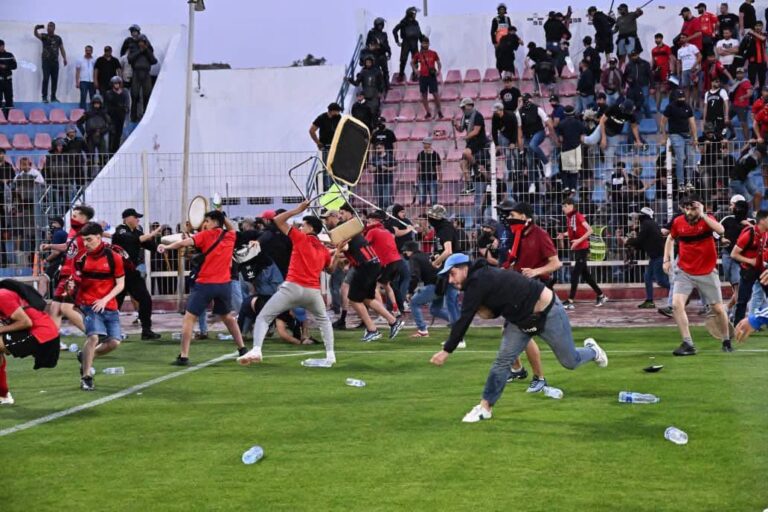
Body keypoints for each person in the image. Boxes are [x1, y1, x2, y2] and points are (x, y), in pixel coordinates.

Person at [429, 253, 608, 423]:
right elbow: (493, 311)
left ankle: (593, 351)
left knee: (570, 361)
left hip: (547, 312)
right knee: (502, 361)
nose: (451, 280)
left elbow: (464, 319)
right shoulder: (477, 281)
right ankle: (485, 407)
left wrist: (446, 350)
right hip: (519, 321)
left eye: (452, 274)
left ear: (464, 268)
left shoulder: (478, 281)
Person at [237, 201, 336, 367]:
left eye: (303, 225)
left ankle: (256, 350)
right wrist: (337, 253)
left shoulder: (301, 238)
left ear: (310, 228)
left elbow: (277, 220)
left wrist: (298, 209)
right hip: (313, 292)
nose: (301, 227)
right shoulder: (323, 250)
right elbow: (331, 270)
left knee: (264, 317)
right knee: (324, 321)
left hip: (292, 287)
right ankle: (330, 356)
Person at [157, 210, 247, 365]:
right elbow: (231, 228)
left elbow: (183, 243)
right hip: (224, 284)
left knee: (189, 318)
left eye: (207, 220)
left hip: (205, 284)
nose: (205, 223)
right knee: (227, 317)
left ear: (214, 222)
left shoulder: (205, 235)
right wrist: (222, 217)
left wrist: (166, 247)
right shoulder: (230, 236)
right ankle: (242, 348)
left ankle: (184, 356)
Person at [498, 202, 560, 392]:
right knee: (508, 331)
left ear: (524, 216)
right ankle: (518, 369)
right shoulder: (518, 235)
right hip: (520, 288)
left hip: (535, 289)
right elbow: (514, 262)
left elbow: (556, 263)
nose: (508, 219)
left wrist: (535, 271)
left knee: (522, 333)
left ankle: (539, 378)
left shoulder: (539, 235)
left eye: (512, 215)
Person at [664, 196, 732, 355]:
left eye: (693, 208)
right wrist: (666, 260)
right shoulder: (678, 222)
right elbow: (670, 238)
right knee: (676, 305)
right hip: (684, 271)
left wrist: (703, 215)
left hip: (707, 272)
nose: (689, 212)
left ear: (700, 207)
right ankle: (688, 343)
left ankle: (726, 340)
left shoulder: (707, 220)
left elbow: (721, 230)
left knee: (718, 309)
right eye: (687, 208)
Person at [335, 203, 405, 342]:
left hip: (365, 266)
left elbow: (345, 249)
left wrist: (335, 251)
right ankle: (393, 321)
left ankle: (372, 329)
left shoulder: (349, 235)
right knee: (367, 298)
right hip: (374, 264)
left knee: (354, 299)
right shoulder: (357, 233)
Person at [73, 222, 125, 391]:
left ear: (99, 237)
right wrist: (72, 287)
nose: (86, 243)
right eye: (83, 240)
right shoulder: (81, 258)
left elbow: (121, 284)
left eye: (89, 239)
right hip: (88, 304)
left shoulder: (114, 257)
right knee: (93, 337)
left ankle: (86, 356)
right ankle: (86, 377)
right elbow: (75, 281)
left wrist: (105, 299)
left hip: (109, 305)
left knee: (114, 342)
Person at [0, 281, 61, 405]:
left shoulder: (2, 296)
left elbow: (26, 322)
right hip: (42, 332)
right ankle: (3, 395)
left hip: (42, 334)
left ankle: (3, 394)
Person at [112, 208, 162, 340]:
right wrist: (152, 233)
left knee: (145, 299)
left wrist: (161, 247)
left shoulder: (136, 231)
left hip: (132, 273)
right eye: (135, 217)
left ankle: (146, 331)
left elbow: (150, 245)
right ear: (127, 218)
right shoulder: (120, 231)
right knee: (114, 304)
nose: (138, 220)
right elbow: (133, 240)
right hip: (119, 274)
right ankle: (108, 333)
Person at [562, 198, 607, 309]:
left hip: (582, 249)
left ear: (571, 206)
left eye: (565, 206)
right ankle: (601, 295)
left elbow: (590, 230)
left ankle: (570, 300)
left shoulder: (577, 216)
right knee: (586, 276)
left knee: (575, 275)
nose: (563, 209)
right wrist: (564, 234)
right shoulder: (570, 217)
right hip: (578, 249)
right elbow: (573, 231)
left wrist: (578, 241)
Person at [403, 240, 450, 337]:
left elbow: (415, 276)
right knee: (435, 310)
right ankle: (458, 321)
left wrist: (410, 291)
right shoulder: (424, 255)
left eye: (406, 251)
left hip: (434, 285)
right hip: (442, 283)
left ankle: (422, 330)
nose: (405, 253)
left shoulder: (414, 258)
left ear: (410, 250)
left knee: (414, 302)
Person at [625, 207, 669, 308]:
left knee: (661, 281)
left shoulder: (646, 224)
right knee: (647, 276)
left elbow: (639, 240)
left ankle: (679, 293)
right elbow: (644, 242)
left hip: (658, 256)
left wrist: (628, 241)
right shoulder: (650, 224)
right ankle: (649, 300)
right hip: (656, 256)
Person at [731, 209, 768, 326]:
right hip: (748, 270)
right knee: (743, 300)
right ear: (762, 220)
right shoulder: (749, 234)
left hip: (762, 269)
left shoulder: (765, 233)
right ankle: (738, 326)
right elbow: (734, 254)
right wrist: (750, 261)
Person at [365, 210, 405, 315]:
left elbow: (363, 245)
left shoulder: (372, 231)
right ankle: (396, 310)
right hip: (397, 261)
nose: (367, 224)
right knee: (387, 285)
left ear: (375, 221)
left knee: (375, 287)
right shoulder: (386, 231)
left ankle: (382, 314)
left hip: (387, 262)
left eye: (368, 222)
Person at [720, 197, 754, 314]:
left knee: (738, 285)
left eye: (734, 205)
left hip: (743, 258)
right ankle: (731, 310)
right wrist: (722, 238)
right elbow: (715, 231)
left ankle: (731, 311)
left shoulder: (752, 222)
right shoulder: (727, 219)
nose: (732, 208)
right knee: (734, 284)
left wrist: (748, 225)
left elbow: (760, 234)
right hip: (727, 254)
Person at [661, 89, 699, 187]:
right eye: (680, 97)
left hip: (687, 134)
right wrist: (664, 137)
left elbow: (692, 123)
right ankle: (681, 183)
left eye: (683, 97)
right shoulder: (670, 107)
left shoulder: (687, 107)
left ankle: (689, 182)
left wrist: (695, 138)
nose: (682, 99)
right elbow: (663, 122)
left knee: (691, 157)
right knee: (681, 157)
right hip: (675, 134)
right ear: (676, 98)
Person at [454, 98, 489, 195]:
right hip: (470, 141)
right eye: (461, 108)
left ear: (469, 106)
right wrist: (456, 125)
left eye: (463, 107)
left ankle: (476, 168)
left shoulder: (478, 116)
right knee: (462, 164)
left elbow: (476, 131)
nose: (462, 109)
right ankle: (469, 185)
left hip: (479, 140)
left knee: (466, 152)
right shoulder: (464, 116)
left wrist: (466, 137)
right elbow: (461, 129)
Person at [516, 93, 555, 177]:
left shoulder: (537, 109)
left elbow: (548, 121)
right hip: (527, 136)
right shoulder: (519, 112)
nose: (522, 102)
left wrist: (553, 135)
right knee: (529, 160)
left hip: (539, 132)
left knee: (532, 145)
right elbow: (519, 132)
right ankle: (532, 182)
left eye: (523, 100)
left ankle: (546, 163)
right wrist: (521, 149)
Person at [34, 21, 67, 103]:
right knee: (46, 79)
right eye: (48, 26)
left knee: (54, 80)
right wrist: (35, 29)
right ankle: (44, 97)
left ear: (54, 28)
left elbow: (62, 48)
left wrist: (64, 58)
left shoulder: (58, 38)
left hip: (55, 62)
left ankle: (53, 97)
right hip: (46, 62)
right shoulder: (44, 36)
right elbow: (36, 35)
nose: (49, 27)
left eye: (51, 26)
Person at [556, 106, 587, 192]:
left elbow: (561, 139)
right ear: (574, 112)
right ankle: (573, 187)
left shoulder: (561, 124)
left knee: (563, 169)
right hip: (576, 148)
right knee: (574, 169)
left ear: (565, 113)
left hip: (565, 148)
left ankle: (566, 186)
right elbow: (582, 138)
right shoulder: (579, 123)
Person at [411, 36, 443, 119]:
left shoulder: (433, 53)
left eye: (427, 43)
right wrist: (415, 70)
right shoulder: (418, 54)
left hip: (431, 76)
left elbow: (439, 63)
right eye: (424, 43)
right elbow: (412, 62)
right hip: (422, 76)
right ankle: (428, 112)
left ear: (429, 44)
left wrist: (439, 70)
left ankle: (439, 111)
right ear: (421, 44)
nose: (425, 45)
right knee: (424, 95)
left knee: (435, 94)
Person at [128, 36, 157, 122]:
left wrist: (146, 50)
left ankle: (146, 115)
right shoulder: (134, 49)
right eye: (140, 42)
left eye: (143, 42)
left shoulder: (149, 50)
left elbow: (154, 61)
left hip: (146, 73)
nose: (141, 43)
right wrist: (140, 51)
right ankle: (133, 117)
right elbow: (129, 59)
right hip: (136, 73)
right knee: (135, 95)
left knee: (147, 94)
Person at [347, 55, 384, 120]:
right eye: (367, 62)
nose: (368, 64)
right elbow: (357, 83)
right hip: (366, 96)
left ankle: (376, 123)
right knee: (366, 113)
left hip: (375, 95)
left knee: (375, 111)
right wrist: (349, 80)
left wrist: (380, 92)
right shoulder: (363, 72)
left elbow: (381, 82)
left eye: (369, 62)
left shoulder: (377, 71)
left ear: (372, 62)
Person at [392, 6, 422, 82]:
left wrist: (423, 41)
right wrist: (397, 41)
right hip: (406, 43)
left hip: (414, 43)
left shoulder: (416, 23)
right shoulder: (404, 22)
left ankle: (415, 75)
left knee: (416, 60)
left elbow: (419, 33)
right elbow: (394, 30)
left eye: (415, 13)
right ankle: (401, 75)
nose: (415, 15)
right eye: (414, 13)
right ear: (410, 14)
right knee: (403, 60)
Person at [491, 101, 521, 174]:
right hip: (504, 135)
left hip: (513, 135)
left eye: (496, 111)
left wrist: (513, 142)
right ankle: (510, 172)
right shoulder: (494, 117)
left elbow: (515, 129)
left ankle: (518, 172)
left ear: (501, 110)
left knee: (515, 154)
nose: (494, 112)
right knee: (507, 154)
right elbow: (494, 131)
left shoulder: (511, 115)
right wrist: (496, 144)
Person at [624, 50, 652, 118]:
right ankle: (636, 119)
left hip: (643, 86)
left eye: (635, 55)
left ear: (638, 55)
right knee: (634, 104)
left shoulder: (645, 63)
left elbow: (650, 76)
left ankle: (649, 119)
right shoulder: (629, 65)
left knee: (645, 103)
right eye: (633, 56)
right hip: (633, 87)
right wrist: (628, 82)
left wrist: (652, 87)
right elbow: (625, 76)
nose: (634, 57)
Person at [104, 76, 129, 154]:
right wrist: (107, 116)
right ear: (112, 84)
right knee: (112, 134)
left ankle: (116, 151)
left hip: (121, 116)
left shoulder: (125, 92)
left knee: (119, 135)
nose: (116, 85)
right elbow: (106, 106)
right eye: (115, 83)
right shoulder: (108, 93)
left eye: (118, 83)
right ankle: (110, 152)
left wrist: (125, 110)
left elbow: (127, 105)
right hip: (112, 117)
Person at [366, 17, 392, 92]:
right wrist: (371, 47)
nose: (380, 26)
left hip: (382, 54)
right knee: (376, 72)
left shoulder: (384, 34)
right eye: (379, 25)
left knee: (385, 71)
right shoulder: (371, 33)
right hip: (374, 55)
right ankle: (379, 87)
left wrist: (389, 52)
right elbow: (367, 43)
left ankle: (387, 85)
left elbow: (386, 44)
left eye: (381, 25)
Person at [651, 34, 674, 113]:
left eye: (658, 38)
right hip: (657, 71)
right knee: (657, 89)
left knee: (666, 89)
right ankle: (657, 107)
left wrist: (671, 70)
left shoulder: (667, 48)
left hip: (666, 71)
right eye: (656, 38)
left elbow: (671, 59)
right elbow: (653, 60)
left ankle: (669, 107)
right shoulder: (653, 50)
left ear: (661, 39)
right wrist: (652, 70)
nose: (656, 40)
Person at [368, 143, 395, 208]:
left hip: (388, 182)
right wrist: (377, 168)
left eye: (379, 148)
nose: (377, 150)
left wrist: (387, 168)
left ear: (383, 148)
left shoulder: (390, 157)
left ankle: (387, 212)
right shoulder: (374, 158)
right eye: (376, 148)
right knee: (379, 202)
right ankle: (382, 213)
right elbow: (370, 169)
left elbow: (395, 167)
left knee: (386, 201)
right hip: (377, 182)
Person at [416, 137, 441, 205]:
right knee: (422, 200)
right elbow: (418, 168)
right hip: (422, 178)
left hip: (433, 178)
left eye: (425, 143)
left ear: (429, 144)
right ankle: (423, 212)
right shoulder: (420, 154)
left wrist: (440, 180)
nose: (424, 145)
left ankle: (433, 211)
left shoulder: (435, 154)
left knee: (433, 200)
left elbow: (439, 168)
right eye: (424, 143)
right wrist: (416, 179)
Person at [744, 21, 767, 92]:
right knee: (751, 81)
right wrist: (745, 63)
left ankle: (761, 96)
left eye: (759, 26)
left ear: (762, 27)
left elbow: (763, 39)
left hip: (762, 62)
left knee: (762, 81)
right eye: (756, 26)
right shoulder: (749, 36)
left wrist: (752, 32)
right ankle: (751, 97)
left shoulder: (764, 34)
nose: (758, 27)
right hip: (752, 61)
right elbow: (744, 48)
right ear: (754, 27)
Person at [0, 39, 18, 118]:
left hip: (8, 80)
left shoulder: (9, 55)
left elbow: (15, 66)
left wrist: (6, 67)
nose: (0, 48)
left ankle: (9, 116)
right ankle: (1, 117)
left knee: (9, 98)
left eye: (1, 46)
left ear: (3, 46)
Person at [75, 45, 96, 109]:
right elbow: (77, 71)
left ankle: (93, 111)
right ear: (85, 51)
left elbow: (96, 71)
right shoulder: (80, 60)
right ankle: (82, 111)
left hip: (92, 81)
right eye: (87, 50)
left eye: (89, 50)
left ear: (92, 51)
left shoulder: (94, 60)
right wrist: (77, 82)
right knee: (83, 97)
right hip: (83, 81)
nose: (88, 52)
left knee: (93, 97)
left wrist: (96, 81)